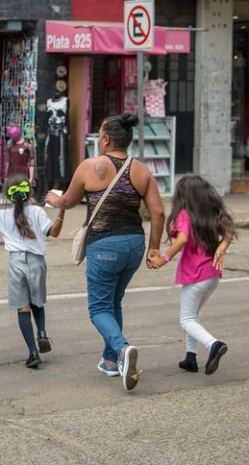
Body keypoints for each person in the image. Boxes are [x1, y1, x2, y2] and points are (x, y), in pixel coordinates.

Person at [45, 113, 164, 392]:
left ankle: (122, 350)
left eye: (99, 134)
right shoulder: (142, 170)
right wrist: (154, 248)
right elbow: (157, 212)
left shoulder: (91, 166)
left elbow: (69, 201)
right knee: (115, 302)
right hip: (134, 244)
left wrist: (54, 199)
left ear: (106, 139)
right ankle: (110, 361)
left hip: (105, 246)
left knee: (99, 307)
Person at [0, 175, 65, 368]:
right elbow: (55, 232)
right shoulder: (37, 212)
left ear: (7, 195)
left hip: (16, 261)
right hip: (37, 261)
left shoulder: (2, 215)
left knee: (22, 307)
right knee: (37, 301)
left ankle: (33, 352)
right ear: (29, 193)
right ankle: (42, 332)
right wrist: (62, 211)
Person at [147, 175, 236, 375]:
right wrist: (222, 246)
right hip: (212, 275)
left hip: (196, 275)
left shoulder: (184, 214)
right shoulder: (211, 211)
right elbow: (229, 230)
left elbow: (182, 239)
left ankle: (213, 345)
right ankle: (190, 357)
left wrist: (163, 259)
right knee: (192, 315)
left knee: (186, 319)